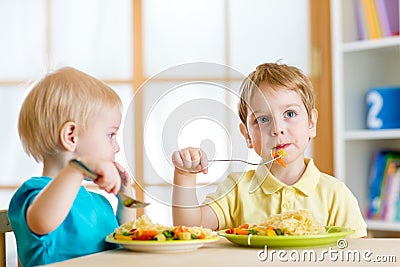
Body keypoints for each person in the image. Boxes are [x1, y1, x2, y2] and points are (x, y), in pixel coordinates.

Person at [171, 62, 367, 238]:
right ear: (247, 135)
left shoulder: (335, 195)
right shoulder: (237, 190)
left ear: (311, 123)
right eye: (262, 120)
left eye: (289, 114)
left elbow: (356, 253)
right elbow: (189, 227)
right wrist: (185, 176)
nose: (276, 129)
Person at [8, 67, 136, 267]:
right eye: (111, 135)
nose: (117, 146)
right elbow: (42, 221)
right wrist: (77, 169)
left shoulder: (100, 203)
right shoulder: (34, 194)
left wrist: (125, 196)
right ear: (71, 136)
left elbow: (128, 241)